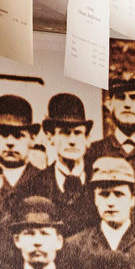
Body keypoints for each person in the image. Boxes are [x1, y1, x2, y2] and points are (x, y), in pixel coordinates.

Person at [13, 93, 97, 235]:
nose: (72, 140)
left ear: (87, 139)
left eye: (77, 133)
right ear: (50, 137)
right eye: (64, 133)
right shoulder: (33, 186)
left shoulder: (99, 181)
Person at [85, 75, 135, 193]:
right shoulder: (93, 152)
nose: (127, 104)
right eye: (120, 97)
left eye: (134, 98)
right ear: (109, 105)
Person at [0, 93, 45, 195]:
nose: (10, 143)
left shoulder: (46, 181)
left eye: (18, 136)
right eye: (3, 134)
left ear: (32, 139)